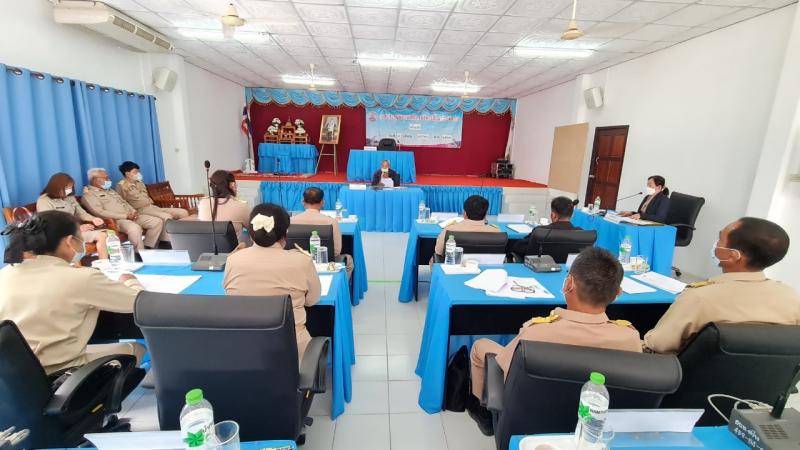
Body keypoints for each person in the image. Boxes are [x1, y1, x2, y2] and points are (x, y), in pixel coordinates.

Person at [467, 247, 642, 435]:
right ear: (617, 293)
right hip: (593, 427)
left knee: (480, 346)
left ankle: (485, 418)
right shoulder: (630, 338)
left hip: (533, 419)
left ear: (569, 283)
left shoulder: (536, 333)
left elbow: (506, 370)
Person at [0, 211, 145, 375]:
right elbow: (139, 302)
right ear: (69, 241)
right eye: (80, 239)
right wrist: (130, 280)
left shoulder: (4, 274)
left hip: (13, 375)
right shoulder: (82, 278)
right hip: (62, 374)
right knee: (134, 348)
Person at [644, 217, 800, 353]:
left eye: (719, 240)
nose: (716, 244)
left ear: (733, 256)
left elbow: (658, 344)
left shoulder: (700, 297)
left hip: (686, 375)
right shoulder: (791, 297)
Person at [223, 203, 321, 360]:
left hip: (242, 349)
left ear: (252, 232)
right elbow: (312, 300)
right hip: (292, 349)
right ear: (285, 233)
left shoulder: (233, 260)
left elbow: (229, 296)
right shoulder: (302, 261)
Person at [81, 168, 164, 250]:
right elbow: (100, 212)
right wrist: (125, 216)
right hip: (116, 221)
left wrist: (133, 211)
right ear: (95, 180)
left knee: (157, 222)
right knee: (134, 228)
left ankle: (147, 247)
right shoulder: (89, 195)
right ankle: (139, 253)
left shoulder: (110, 190)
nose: (109, 180)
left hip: (131, 216)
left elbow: (124, 202)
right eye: (106, 178)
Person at [37, 172, 109, 259]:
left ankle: (104, 263)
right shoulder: (44, 201)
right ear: (56, 187)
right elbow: (50, 225)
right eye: (67, 188)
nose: (69, 190)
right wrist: (76, 229)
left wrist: (93, 219)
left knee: (105, 234)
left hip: (76, 232)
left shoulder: (69, 197)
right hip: (61, 236)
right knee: (100, 236)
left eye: (70, 187)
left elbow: (80, 212)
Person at [290, 187, 353, 277]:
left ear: (303, 202)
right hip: (326, 264)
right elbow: (336, 251)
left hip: (298, 262)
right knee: (349, 261)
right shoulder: (332, 222)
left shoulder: (290, 221)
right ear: (322, 202)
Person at [512, 196, 582, 261]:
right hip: (567, 270)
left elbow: (518, 248)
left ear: (553, 215)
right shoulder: (581, 233)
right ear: (572, 215)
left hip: (536, 268)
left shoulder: (540, 231)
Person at [116, 161, 189, 222]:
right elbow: (121, 202)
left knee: (183, 212)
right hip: (140, 210)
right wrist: (131, 214)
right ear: (127, 174)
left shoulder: (139, 183)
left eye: (138, 171)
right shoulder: (121, 186)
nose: (138, 174)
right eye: (135, 172)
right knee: (167, 217)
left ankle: (182, 233)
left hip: (152, 207)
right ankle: (167, 235)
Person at [434, 195, 500, 259]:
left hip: (455, 265)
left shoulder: (450, 230)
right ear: (485, 214)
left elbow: (439, 251)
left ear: (465, 213)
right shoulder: (496, 231)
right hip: (486, 266)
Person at [197, 170, 250, 243]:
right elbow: (253, 229)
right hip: (235, 250)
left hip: (207, 248)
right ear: (232, 185)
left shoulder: (203, 203)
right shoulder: (241, 206)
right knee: (247, 235)